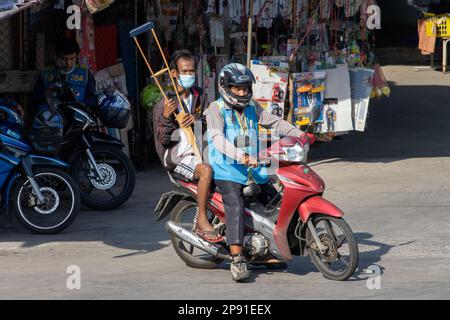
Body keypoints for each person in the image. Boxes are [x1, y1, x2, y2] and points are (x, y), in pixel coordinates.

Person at [206, 63, 306, 282]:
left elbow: (274, 121)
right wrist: (240, 156)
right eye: (236, 88)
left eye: (245, 88)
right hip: (227, 169)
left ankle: (269, 246)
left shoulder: (252, 106)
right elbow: (217, 139)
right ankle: (237, 258)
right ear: (224, 87)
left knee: (275, 200)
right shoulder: (215, 109)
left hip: (254, 168)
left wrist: (300, 135)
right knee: (235, 205)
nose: (242, 93)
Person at [153, 50, 223, 243]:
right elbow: (164, 140)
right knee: (206, 171)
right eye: (185, 71)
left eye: (192, 71)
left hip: (199, 150)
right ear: (174, 73)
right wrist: (167, 117)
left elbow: (209, 121)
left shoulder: (199, 95)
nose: (189, 75)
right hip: (177, 157)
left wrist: (197, 120)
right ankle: (201, 219)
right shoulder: (165, 103)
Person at [32, 37, 97, 110]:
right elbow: (36, 98)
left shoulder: (85, 73)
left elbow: (93, 98)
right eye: (64, 59)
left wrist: (81, 105)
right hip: (52, 116)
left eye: (72, 58)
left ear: (77, 57)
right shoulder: (46, 73)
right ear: (57, 57)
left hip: (77, 114)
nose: (68, 63)